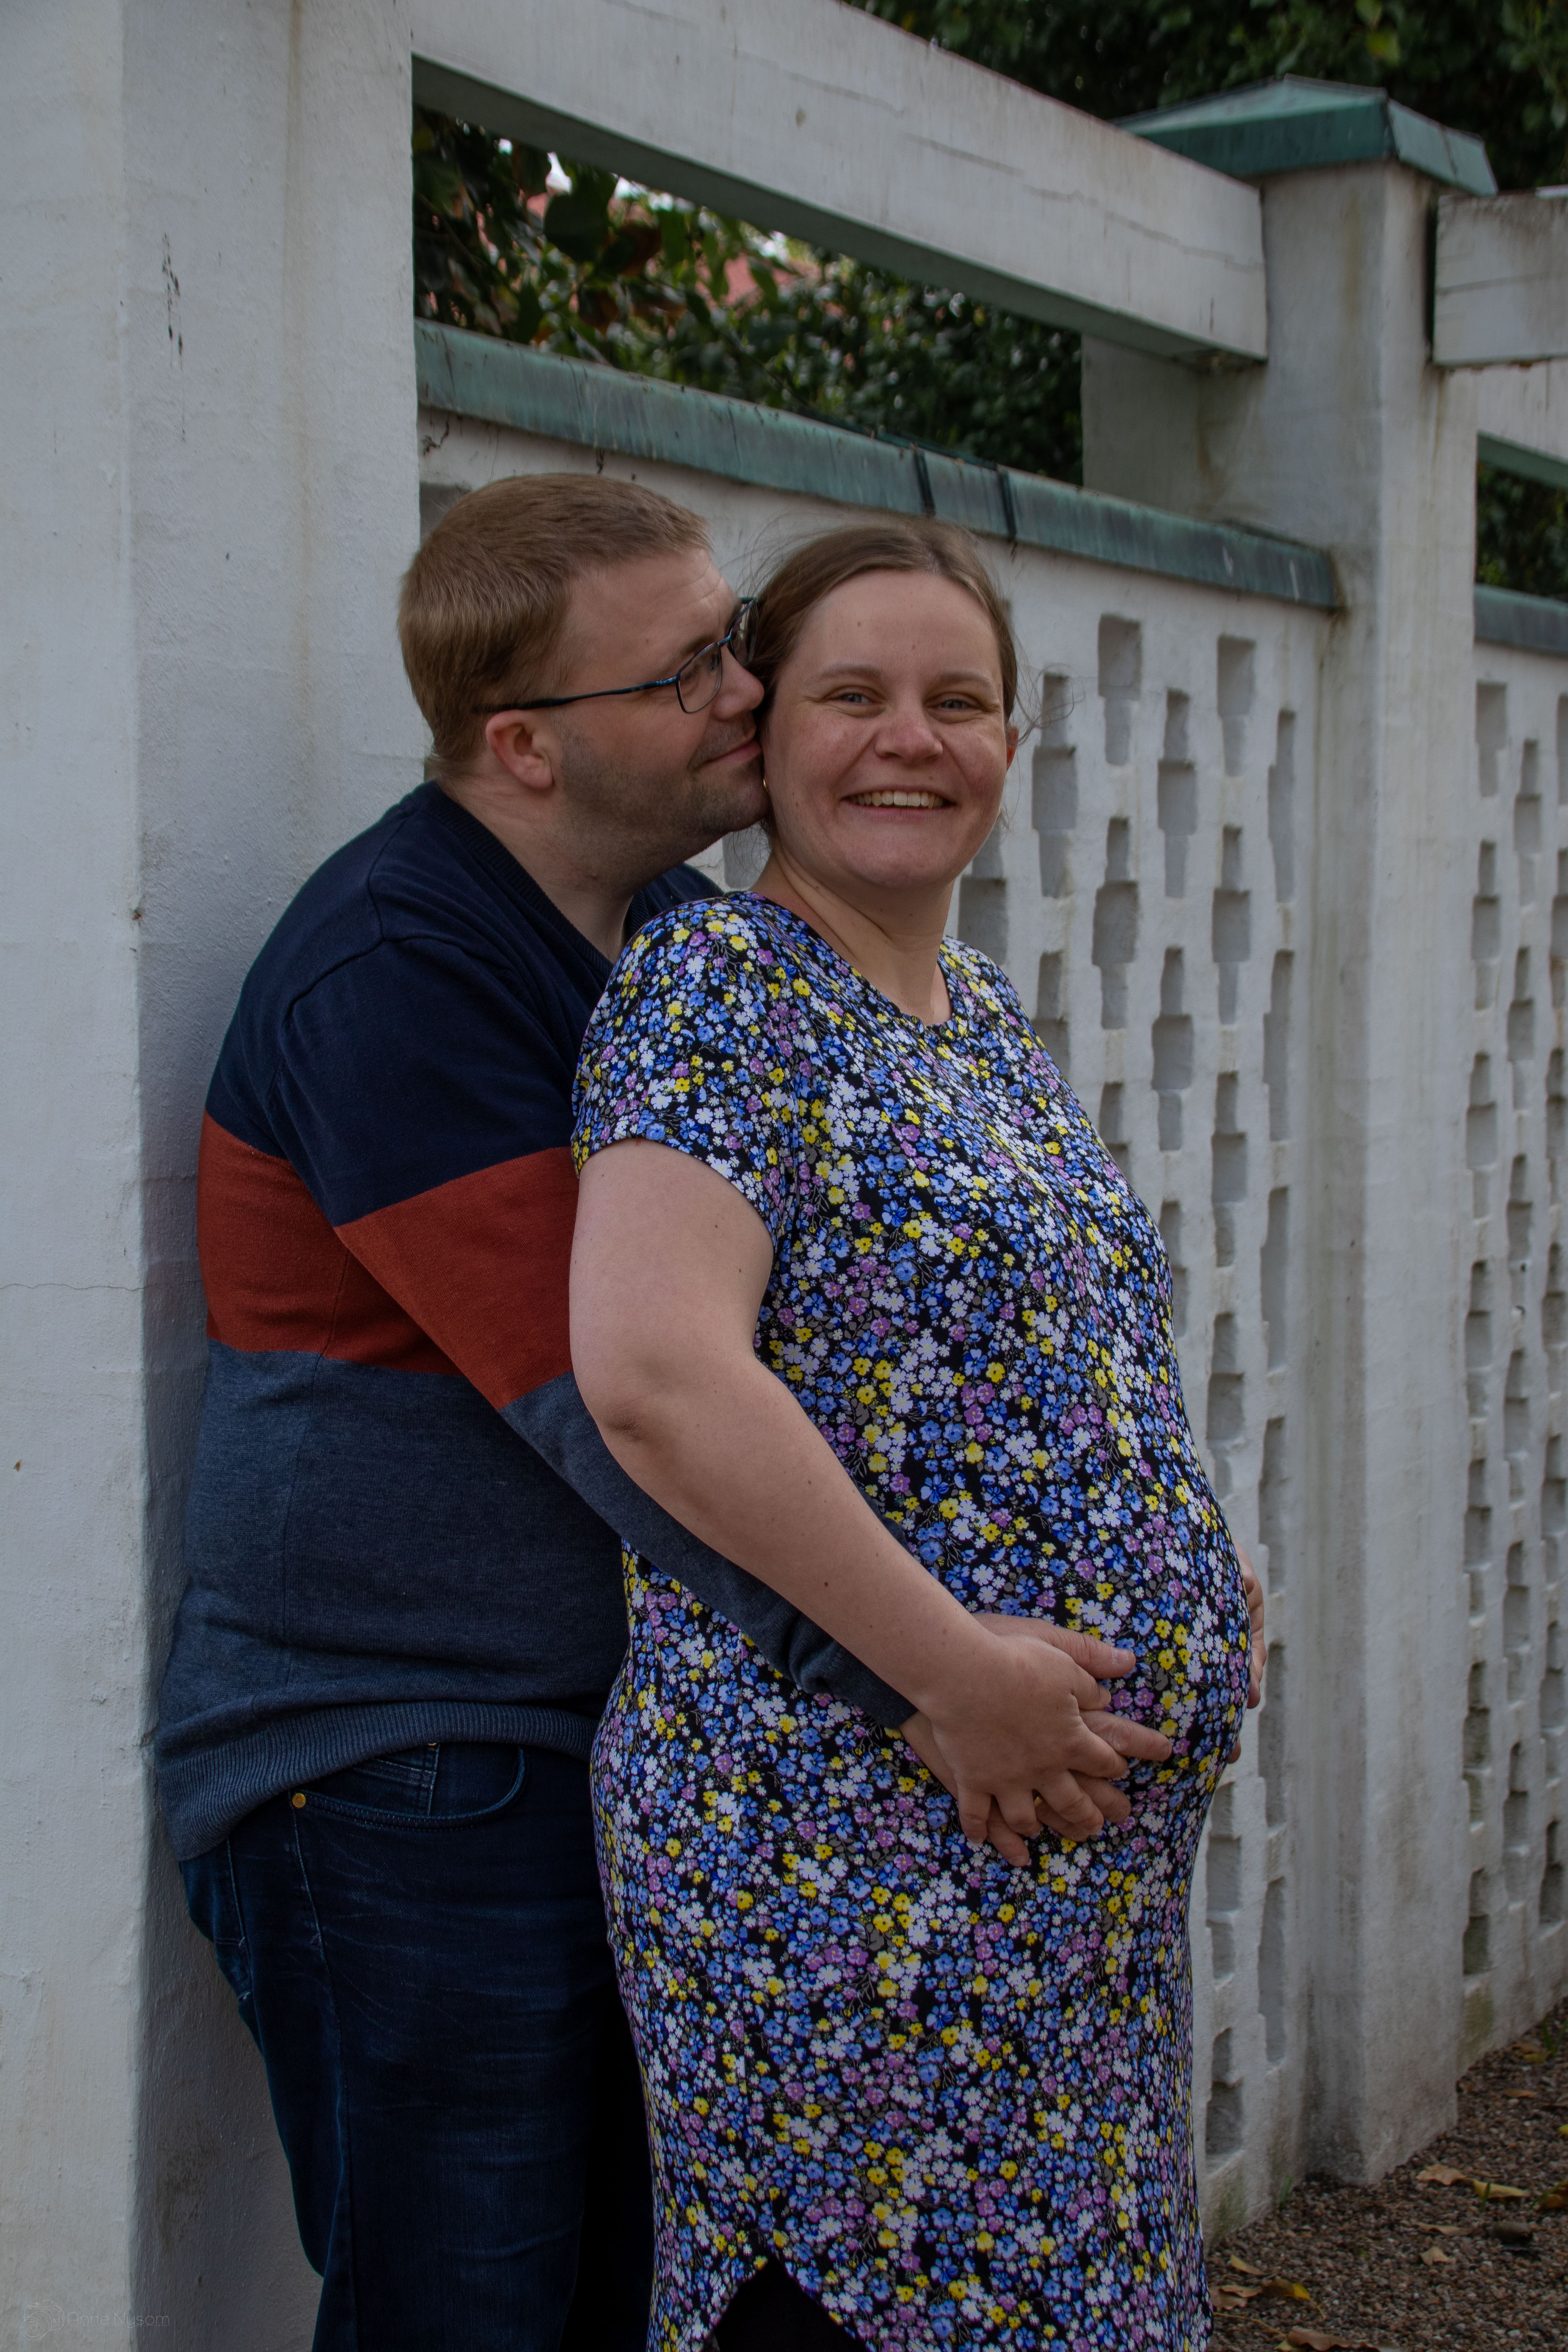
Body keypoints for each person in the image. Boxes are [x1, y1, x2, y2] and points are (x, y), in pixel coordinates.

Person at [156, 476, 1160, 2352]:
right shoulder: (398, 973)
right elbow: (613, 1406)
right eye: (689, 669)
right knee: (472, 2312)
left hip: (593, 1739)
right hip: (399, 1758)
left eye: (733, 645)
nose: (743, 692)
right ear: (526, 746)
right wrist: (931, 1679)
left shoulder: (658, 934)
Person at [571, 517, 1263, 2350]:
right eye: (853, 695)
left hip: (1053, 1883)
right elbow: (653, 1373)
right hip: (848, 1840)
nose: (910, 738)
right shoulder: (720, 992)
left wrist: (1192, 1563)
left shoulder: (980, 1019)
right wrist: (950, 1670)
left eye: (958, 700)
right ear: (763, 737)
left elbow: (1028, 1369)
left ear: (1012, 747)